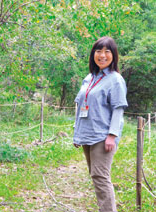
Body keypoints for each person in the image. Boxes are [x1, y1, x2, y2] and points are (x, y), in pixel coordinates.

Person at [73, 36, 128, 212]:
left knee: (101, 177)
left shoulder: (115, 79)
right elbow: (80, 105)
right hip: (87, 134)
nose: (102, 55)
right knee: (96, 176)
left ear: (113, 55)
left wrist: (112, 136)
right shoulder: (89, 77)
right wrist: (77, 133)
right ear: (93, 54)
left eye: (107, 51)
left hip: (103, 136)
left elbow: (118, 109)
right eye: (98, 51)